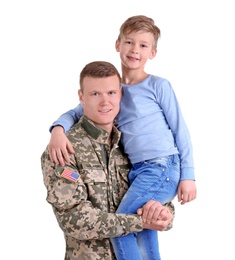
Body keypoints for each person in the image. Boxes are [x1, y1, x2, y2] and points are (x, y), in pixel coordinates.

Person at [48, 15, 197, 260]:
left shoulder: (158, 86)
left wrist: (188, 176)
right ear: (118, 44)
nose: (135, 50)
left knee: (130, 225)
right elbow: (76, 111)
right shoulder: (116, 89)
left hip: (162, 165)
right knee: (142, 222)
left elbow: (180, 129)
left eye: (143, 45)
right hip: (141, 169)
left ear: (153, 52)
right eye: (129, 42)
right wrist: (57, 129)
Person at [41, 61, 174, 260]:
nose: (105, 102)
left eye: (111, 93)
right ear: (81, 97)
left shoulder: (132, 144)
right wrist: (141, 222)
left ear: (121, 94)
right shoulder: (64, 149)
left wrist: (164, 213)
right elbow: (74, 219)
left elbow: (156, 189)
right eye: (95, 94)